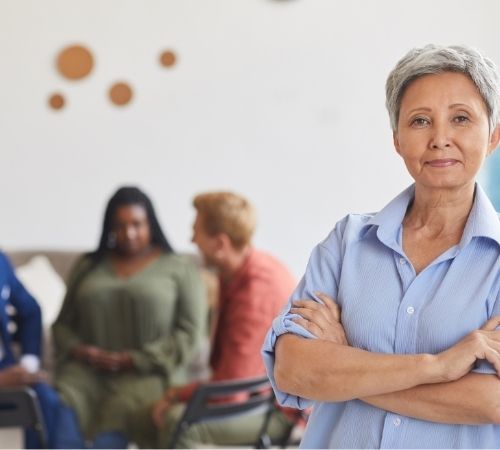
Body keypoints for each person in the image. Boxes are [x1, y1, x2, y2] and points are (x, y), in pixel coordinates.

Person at [263, 44, 500, 449]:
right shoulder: (347, 242)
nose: (440, 138)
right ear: (396, 140)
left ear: (493, 135)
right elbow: (293, 369)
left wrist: (345, 366)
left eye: (461, 118)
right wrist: (438, 366)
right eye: (420, 121)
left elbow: (491, 401)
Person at [137, 191, 296, 448]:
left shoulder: (256, 292)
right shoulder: (234, 270)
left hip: (279, 410)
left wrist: (176, 395)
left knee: (179, 422)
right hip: (257, 393)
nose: (191, 239)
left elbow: (232, 390)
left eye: (196, 231)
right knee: (152, 415)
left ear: (220, 244)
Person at [52, 186, 206, 449]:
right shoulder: (88, 265)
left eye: (137, 224)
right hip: (87, 374)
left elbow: (189, 334)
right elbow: (62, 326)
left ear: (151, 224)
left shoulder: (179, 268)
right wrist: (82, 351)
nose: (129, 233)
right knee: (60, 407)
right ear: (109, 227)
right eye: (120, 225)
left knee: (111, 432)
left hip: (149, 374)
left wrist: (132, 359)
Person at [0, 251, 60, 449]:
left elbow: (31, 310)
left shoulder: (1, 261)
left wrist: (28, 363)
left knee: (45, 401)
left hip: (6, 365)